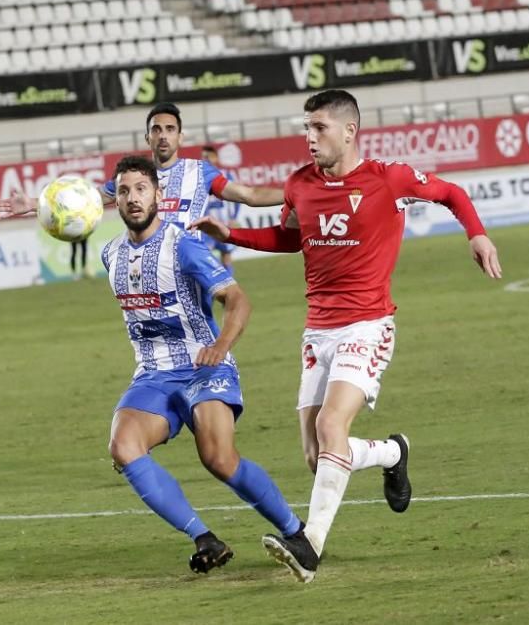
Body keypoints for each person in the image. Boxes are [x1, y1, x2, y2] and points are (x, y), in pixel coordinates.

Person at [190, 89, 502, 583]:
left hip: (368, 324)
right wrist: (233, 235)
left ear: (349, 131)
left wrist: (476, 233)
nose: (309, 138)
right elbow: (293, 238)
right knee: (319, 458)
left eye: (319, 128)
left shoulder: (387, 178)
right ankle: (393, 452)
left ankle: (309, 547)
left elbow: (451, 194)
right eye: (306, 128)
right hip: (319, 331)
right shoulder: (299, 184)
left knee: (331, 428)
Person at [103, 155, 304, 574]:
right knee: (123, 447)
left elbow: (237, 299)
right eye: (124, 191)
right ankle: (205, 538)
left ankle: (295, 531)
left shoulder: (183, 245)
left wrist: (221, 345)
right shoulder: (111, 255)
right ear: (115, 201)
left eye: (141, 189)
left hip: (203, 367)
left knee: (218, 458)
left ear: (159, 195)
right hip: (153, 375)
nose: (133, 198)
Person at [0, 103, 283, 229]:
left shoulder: (200, 172)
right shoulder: (131, 177)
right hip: (145, 274)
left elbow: (249, 195)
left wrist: (296, 193)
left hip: (188, 267)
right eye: (157, 129)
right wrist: (34, 202)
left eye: (170, 129)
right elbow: (87, 201)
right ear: (148, 136)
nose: (163, 135)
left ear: (180, 136)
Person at [200, 144, 239, 274]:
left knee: (226, 255)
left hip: (224, 224)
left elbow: (237, 198)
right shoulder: (199, 176)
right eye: (204, 157)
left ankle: (229, 284)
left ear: (216, 157)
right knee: (205, 256)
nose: (206, 159)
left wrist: (234, 217)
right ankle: (212, 285)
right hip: (207, 226)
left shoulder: (227, 175)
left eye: (208, 156)